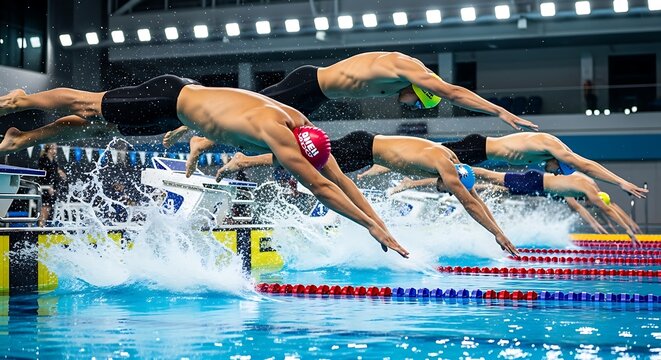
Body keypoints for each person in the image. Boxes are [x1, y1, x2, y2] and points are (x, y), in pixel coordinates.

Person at [0, 75, 408, 257]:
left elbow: (334, 177)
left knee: (93, 125)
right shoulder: (279, 133)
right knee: (88, 104)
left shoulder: (300, 123)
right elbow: (321, 188)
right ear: (297, 151)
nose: (294, 167)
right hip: (168, 97)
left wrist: (381, 225)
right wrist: (370, 227)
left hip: (180, 114)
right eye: (295, 163)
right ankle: (22, 99)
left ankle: (23, 138)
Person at [161, 51, 539, 175]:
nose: (407, 104)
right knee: (244, 112)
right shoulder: (410, 71)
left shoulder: (407, 74)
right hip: (308, 85)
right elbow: (454, 92)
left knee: (254, 124)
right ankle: (193, 128)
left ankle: (202, 133)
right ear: (420, 89)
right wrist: (501, 111)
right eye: (417, 100)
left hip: (315, 95)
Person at [215, 131, 519, 256]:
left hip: (367, 151)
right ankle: (245, 158)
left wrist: (500, 230)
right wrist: (498, 234)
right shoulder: (446, 167)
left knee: (305, 164)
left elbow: (471, 196)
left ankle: (248, 154)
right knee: (303, 163)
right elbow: (469, 202)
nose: (445, 191)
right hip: (363, 148)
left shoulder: (449, 160)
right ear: (450, 179)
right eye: (447, 189)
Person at [390, 168, 640, 244]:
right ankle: (417, 179)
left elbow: (607, 208)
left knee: (487, 184)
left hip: (536, 186)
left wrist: (623, 225)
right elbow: (602, 209)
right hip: (534, 181)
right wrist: (626, 231)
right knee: (483, 176)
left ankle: (425, 177)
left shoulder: (585, 184)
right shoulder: (586, 190)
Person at [358, 132, 648, 198]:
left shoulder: (552, 151)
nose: (560, 173)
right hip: (477, 147)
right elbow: (587, 164)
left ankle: (386, 169)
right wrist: (621, 182)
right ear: (559, 161)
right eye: (561, 168)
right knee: (421, 160)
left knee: (424, 165)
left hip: (480, 153)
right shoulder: (556, 148)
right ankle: (376, 163)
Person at [37, 143, 66, 226]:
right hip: (42, 186)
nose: (55, 151)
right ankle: (41, 223)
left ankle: (44, 222)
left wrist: (60, 172)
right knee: (46, 204)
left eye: (56, 149)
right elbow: (42, 175)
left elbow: (56, 169)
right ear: (48, 149)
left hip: (50, 186)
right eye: (53, 148)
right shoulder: (43, 159)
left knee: (49, 204)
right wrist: (48, 186)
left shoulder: (53, 160)